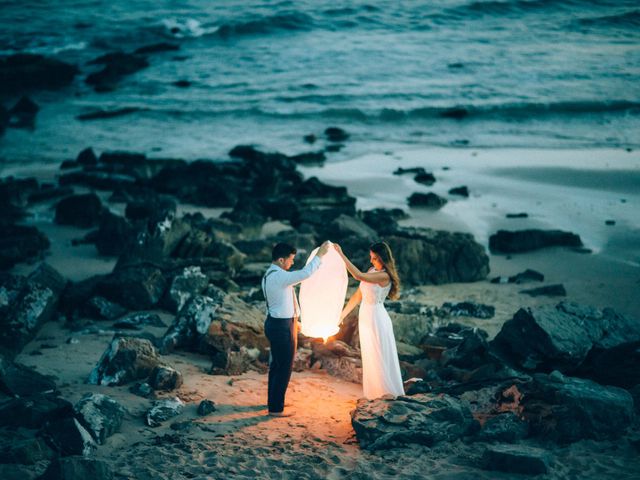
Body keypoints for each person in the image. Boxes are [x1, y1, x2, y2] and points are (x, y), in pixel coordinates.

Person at [262, 240, 330, 417]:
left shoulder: (271, 274)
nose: (292, 263)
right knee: (284, 366)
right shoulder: (279, 276)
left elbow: (281, 301)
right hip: (281, 326)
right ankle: (276, 409)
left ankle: (274, 402)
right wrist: (320, 255)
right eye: (291, 259)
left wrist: (295, 319)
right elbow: (306, 273)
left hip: (279, 323)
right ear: (281, 260)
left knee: (276, 366)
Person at [334, 241, 405, 399]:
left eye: (374, 258)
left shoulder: (384, 275)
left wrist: (341, 254)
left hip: (377, 319)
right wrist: (342, 315)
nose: (371, 261)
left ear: (382, 258)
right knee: (370, 357)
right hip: (366, 317)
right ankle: (374, 395)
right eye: (371, 258)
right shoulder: (372, 270)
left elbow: (357, 275)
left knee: (378, 357)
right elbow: (358, 296)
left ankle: (387, 395)